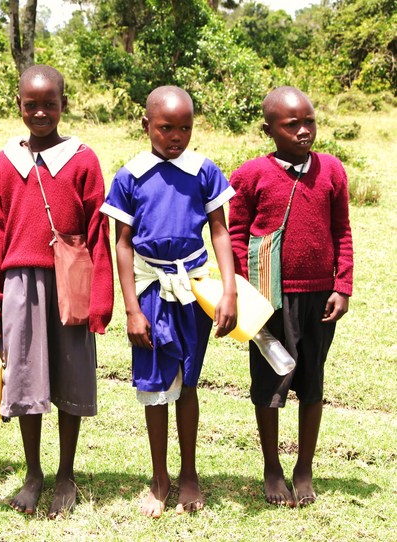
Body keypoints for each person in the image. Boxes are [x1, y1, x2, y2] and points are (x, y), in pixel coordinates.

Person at [0, 65, 114, 518]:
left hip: (69, 283)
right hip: (20, 284)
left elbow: (98, 229)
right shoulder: (5, 161)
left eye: (49, 104)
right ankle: (33, 471)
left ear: (64, 105)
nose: (40, 112)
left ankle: (66, 473)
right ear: (17, 105)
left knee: (72, 375)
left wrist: (101, 296)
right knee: (25, 379)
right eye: (31, 104)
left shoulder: (82, 159)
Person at [101, 86, 237, 518]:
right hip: (150, 290)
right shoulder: (130, 176)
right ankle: (160, 478)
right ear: (146, 126)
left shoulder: (203, 170)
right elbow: (121, 244)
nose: (176, 136)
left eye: (185, 128)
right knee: (156, 384)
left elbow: (219, 230)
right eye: (165, 128)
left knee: (189, 381)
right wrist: (131, 308)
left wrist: (229, 288)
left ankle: (190, 475)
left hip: (194, 288)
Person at [229, 86, 352, 507]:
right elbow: (236, 236)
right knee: (268, 383)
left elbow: (343, 232)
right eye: (291, 124)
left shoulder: (332, 171)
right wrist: (245, 293)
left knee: (312, 382)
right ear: (269, 130)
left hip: (319, 298)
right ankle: (271, 468)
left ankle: (304, 467)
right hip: (269, 298)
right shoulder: (250, 175)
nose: (304, 131)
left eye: (309, 121)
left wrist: (343, 285)